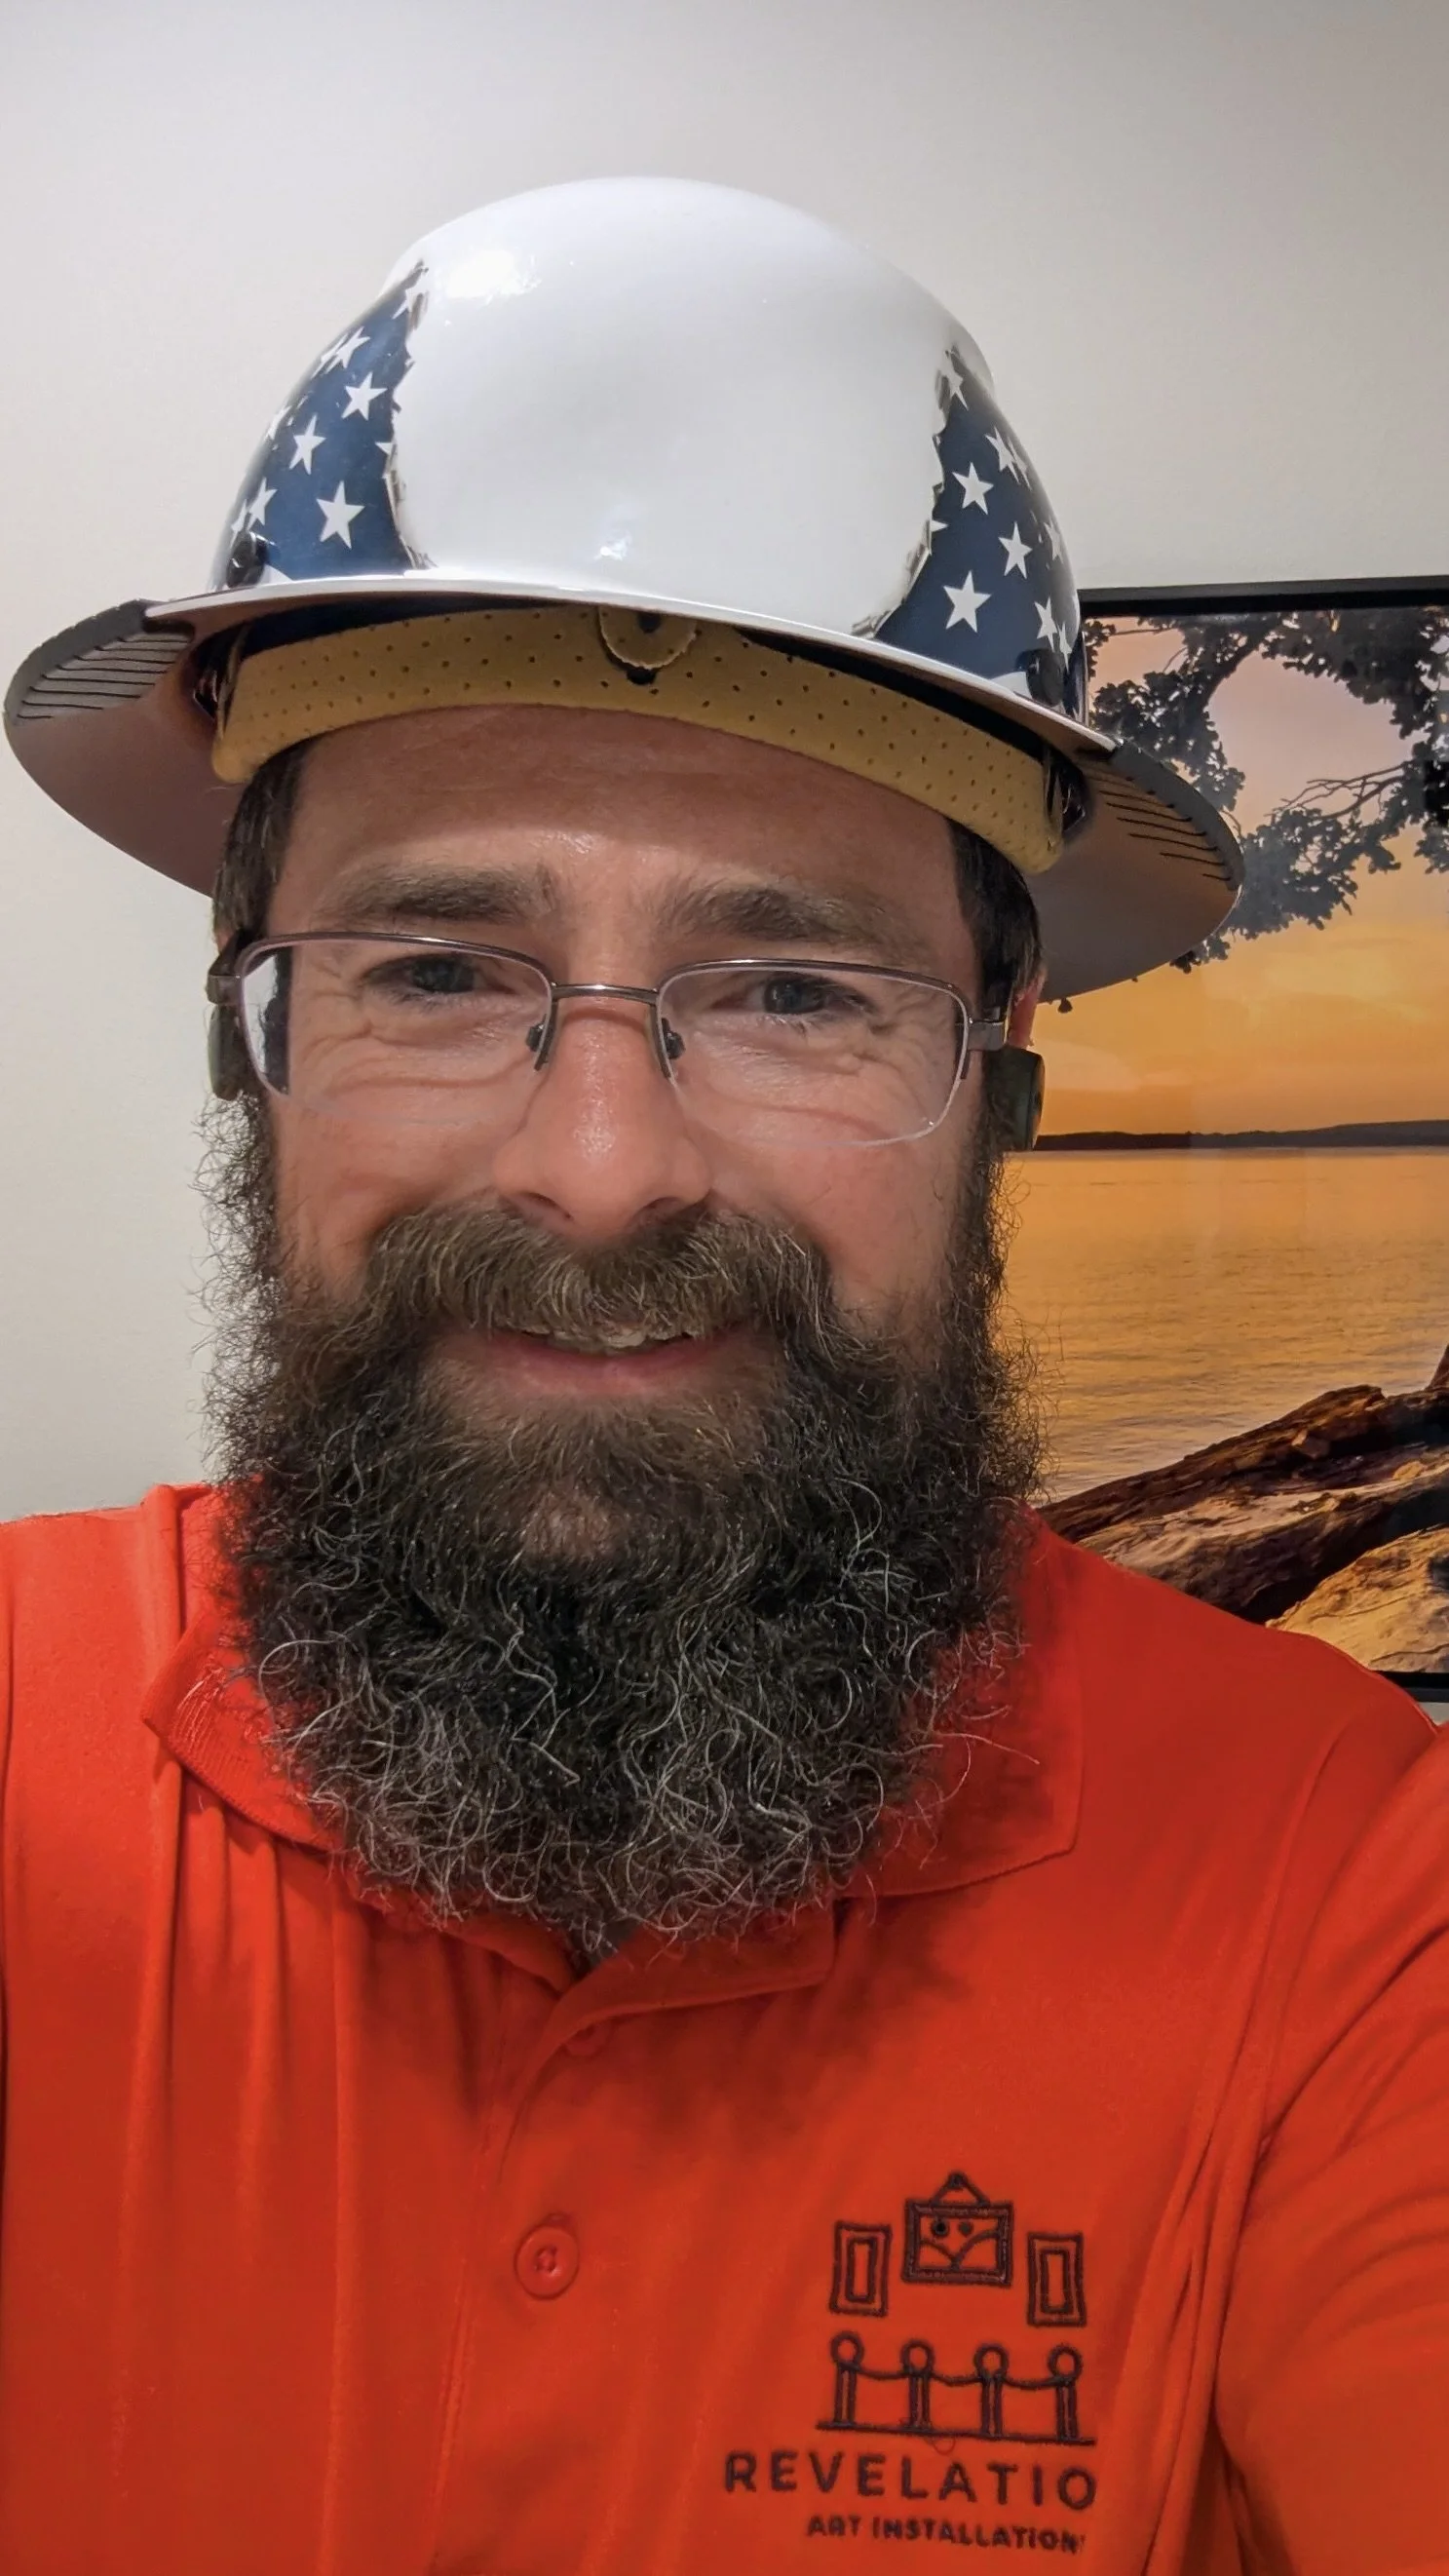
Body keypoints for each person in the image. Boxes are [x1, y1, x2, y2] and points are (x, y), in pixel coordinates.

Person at [2, 178, 1445, 2576]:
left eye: (790, 994)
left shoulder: (1341, 1879)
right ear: (255, 1040)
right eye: (441, 967)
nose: (594, 1170)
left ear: (995, 1086)